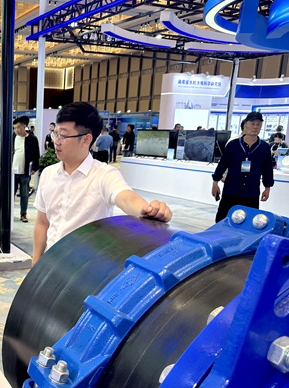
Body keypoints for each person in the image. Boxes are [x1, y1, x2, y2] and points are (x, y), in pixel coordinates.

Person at [33, 102, 172, 265]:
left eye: (63, 136)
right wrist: (36, 265)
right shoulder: (48, 174)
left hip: (86, 269)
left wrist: (147, 209)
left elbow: (125, 197)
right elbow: (42, 223)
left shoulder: (103, 175)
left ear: (86, 140)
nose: (56, 141)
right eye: (55, 134)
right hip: (50, 265)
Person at [211, 111, 273, 223]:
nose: (255, 127)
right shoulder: (233, 145)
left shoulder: (264, 147)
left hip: (251, 191)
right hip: (231, 190)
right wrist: (215, 183)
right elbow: (223, 164)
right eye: (252, 124)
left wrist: (267, 188)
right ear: (245, 125)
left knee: (248, 222)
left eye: (258, 124)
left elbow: (267, 169)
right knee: (222, 220)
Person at [12, 115, 40, 223]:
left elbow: (36, 155)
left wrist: (35, 168)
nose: (16, 130)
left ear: (24, 127)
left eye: (18, 127)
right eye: (14, 128)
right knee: (11, 194)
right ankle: (9, 214)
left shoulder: (32, 139)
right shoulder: (13, 137)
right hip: (13, 171)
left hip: (25, 171)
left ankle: (23, 214)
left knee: (24, 195)